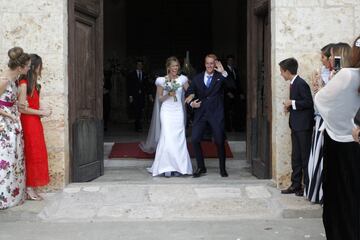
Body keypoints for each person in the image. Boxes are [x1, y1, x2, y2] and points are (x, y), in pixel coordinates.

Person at [315, 36, 360, 240]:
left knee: (341, 198)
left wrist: (327, 84)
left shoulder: (348, 75)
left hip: (343, 144)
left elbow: (322, 101)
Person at [142, 56, 193, 177]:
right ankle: (166, 167)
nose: (175, 68)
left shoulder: (182, 79)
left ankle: (179, 167)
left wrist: (191, 99)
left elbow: (190, 92)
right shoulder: (161, 80)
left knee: (179, 138)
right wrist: (169, 94)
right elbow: (160, 99)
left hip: (178, 112)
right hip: (166, 112)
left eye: (177, 66)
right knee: (167, 137)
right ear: (168, 67)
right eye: (173, 66)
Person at [186, 54, 230, 178]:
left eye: (212, 63)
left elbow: (232, 86)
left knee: (219, 141)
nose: (210, 65)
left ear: (215, 64)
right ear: (205, 64)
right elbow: (189, 92)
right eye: (207, 63)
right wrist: (191, 103)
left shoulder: (220, 77)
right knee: (194, 139)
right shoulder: (197, 78)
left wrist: (224, 72)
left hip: (216, 114)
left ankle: (222, 168)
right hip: (201, 114)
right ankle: (201, 167)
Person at [18, 54, 51, 201]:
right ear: (34, 67)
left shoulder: (34, 84)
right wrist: (41, 112)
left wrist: (45, 111)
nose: (41, 68)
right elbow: (22, 108)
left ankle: (33, 187)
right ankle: (29, 188)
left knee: (38, 152)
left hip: (35, 122)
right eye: (39, 65)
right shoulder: (24, 83)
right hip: (28, 122)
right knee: (31, 152)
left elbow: (35, 103)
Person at [0, 47, 30, 209]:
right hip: (4, 125)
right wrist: (10, 115)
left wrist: (18, 105)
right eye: (27, 66)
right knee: (4, 159)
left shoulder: (15, 80)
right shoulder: (4, 80)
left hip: (12, 124)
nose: (29, 68)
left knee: (13, 160)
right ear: (20, 67)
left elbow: (9, 101)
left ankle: (12, 195)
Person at [280, 57, 314, 196]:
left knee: (304, 157)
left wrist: (291, 103)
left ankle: (307, 187)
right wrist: (291, 107)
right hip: (296, 126)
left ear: (287, 71)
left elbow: (308, 102)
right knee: (296, 157)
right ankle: (295, 185)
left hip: (303, 127)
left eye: (281, 71)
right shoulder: (293, 83)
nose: (281, 74)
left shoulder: (301, 83)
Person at [305, 43, 333, 203]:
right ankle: (317, 192)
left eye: (323, 56)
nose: (321, 60)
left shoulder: (339, 74)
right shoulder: (319, 73)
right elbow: (318, 98)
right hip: (321, 118)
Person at [126, 59, 149, 132]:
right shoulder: (131, 74)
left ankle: (139, 123)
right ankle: (137, 125)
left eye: (141, 64)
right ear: (136, 65)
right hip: (134, 95)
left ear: (142, 66)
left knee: (141, 109)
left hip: (142, 95)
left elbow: (146, 85)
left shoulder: (144, 74)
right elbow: (129, 85)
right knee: (136, 110)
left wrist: (148, 94)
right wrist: (130, 96)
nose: (139, 66)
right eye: (138, 64)